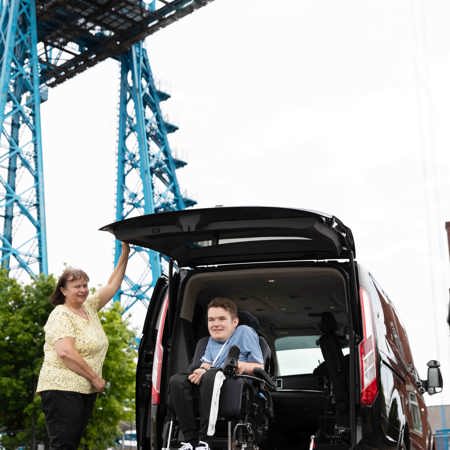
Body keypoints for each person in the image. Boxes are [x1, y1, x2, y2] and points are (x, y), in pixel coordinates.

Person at [36, 241, 130, 450]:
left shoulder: (90, 308)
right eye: (77, 286)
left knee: (72, 443)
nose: (83, 290)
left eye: (85, 285)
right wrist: (95, 378)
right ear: (63, 290)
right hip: (61, 388)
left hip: (83, 390)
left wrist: (125, 253)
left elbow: (113, 285)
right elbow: (66, 352)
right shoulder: (61, 314)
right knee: (63, 444)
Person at [169, 297, 264, 450]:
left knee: (213, 376)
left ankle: (205, 441)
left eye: (221, 319)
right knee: (177, 380)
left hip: (233, 381)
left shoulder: (244, 332)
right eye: (211, 320)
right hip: (210, 379)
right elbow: (207, 362)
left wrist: (241, 365)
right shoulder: (211, 340)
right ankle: (190, 440)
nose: (215, 324)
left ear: (234, 322)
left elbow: (259, 366)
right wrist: (201, 369)